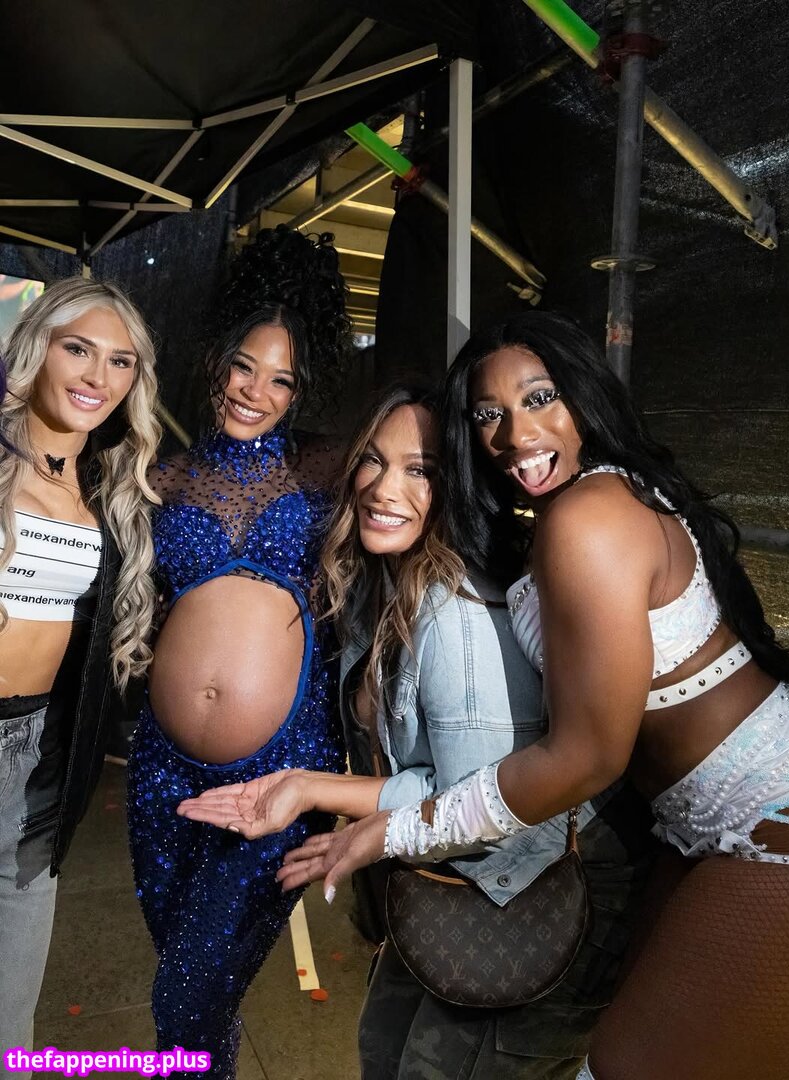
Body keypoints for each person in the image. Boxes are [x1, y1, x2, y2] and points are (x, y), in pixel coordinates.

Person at [276, 312, 789, 1080]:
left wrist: (397, 830)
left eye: (538, 397)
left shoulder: (587, 514)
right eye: (487, 414)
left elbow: (588, 757)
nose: (516, 434)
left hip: (775, 814)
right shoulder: (582, 502)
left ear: (584, 394)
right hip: (692, 823)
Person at [178, 384, 654, 1079]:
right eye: (373, 460)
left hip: (528, 898)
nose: (383, 488)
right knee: (381, 1051)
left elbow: (482, 803)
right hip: (447, 879)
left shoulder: (455, 614)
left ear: (455, 486)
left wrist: (310, 789)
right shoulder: (384, 584)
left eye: (420, 470)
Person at [127, 227, 349, 1080]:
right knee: (191, 985)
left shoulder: (325, 468)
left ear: (302, 390)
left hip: (281, 772)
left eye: (280, 379)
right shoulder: (163, 478)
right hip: (162, 770)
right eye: (245, 367)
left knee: (184, 996)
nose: (256, 390)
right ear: (217, 361)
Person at [0, 278, 160, 1078]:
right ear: (35, 349)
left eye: (121, 361)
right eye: (78, 349)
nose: (99, 375)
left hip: (39, 760)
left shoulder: (109, 487)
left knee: (10, 1022)